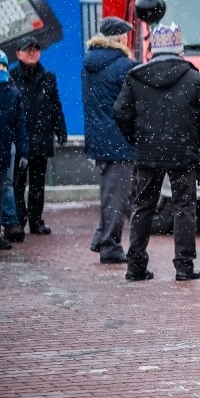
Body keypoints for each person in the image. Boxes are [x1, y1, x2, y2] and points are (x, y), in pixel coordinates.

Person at [114, 23, 200, 282]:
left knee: (143, 206)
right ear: (179, 48)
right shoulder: (193, 77)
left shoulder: (136, 76)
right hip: (183, 151)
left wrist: (136, 138)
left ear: (153, 49)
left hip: (148, 151)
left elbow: (120, 112)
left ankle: (135, 264)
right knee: (184, 207)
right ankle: (184, 266)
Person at [82, 17, 137, 264]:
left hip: (99, 135)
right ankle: (110, 246)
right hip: (119, 137)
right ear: (120, 38)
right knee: (118, 195)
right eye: (125, 35)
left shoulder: (90, 62)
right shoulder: (123, 65)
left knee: (110, 190)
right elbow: (132, 103)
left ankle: (100, 236)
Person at [10, 37, 67, 236]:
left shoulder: (48, 76)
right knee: (17, 183)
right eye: (27, 50)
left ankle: (36, 221)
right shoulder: (11, 77)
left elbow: (55, 106)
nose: (32, 53)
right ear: (18, 54)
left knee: (37, 183)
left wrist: (61, 129)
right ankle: (18, 221)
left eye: (35, 49)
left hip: (42, 137)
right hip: (20, 140)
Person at [0, 48, 29, 250]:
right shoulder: (13, 93)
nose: (0, 69)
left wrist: (23, 151)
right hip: (1, 153)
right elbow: (20, 127)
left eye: (3, 65)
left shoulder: (13, 94)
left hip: (1, 155)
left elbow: (19, 126)